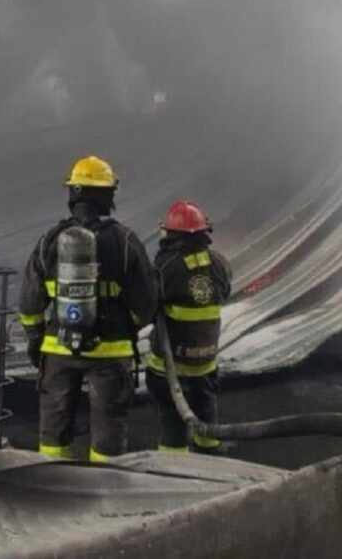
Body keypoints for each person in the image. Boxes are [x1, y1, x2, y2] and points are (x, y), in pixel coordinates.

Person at [19, 156, 157, 461]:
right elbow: (146, 304)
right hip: (110, 353)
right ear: (108, 195)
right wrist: (126, 327)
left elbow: (30, 300)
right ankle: (103, 494)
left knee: (53, 433)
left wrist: (35, 338)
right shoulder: (125, 241)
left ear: (74, 194)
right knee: (108, 435)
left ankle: (53, 489)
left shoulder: (50, 240)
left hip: (58, 351)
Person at [146, 201, 233, 453]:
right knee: (206, 414)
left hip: (169, 365)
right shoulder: (219, 263)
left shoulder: (165, 267)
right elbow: (224, 292)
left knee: (172, 421)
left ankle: (173, 468)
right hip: (205, 362)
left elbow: (149, 306)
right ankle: (211, 460)